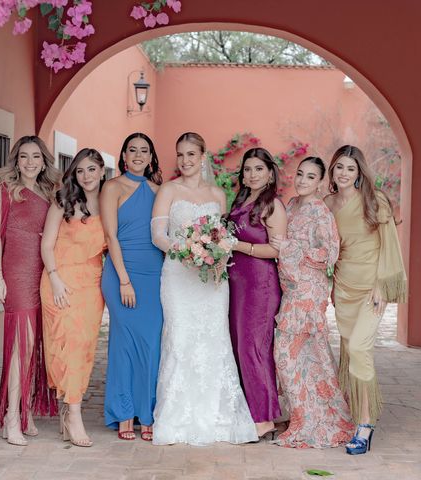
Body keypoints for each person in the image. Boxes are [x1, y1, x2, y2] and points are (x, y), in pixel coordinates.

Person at [150, 132, 258, 446]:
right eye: (180, 155)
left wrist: (214, 257)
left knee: (214, 339)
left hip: (212, 280)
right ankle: (177, 419)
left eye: (190, 155)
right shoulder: (169, 189)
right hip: (178, 276)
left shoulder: (217, 194)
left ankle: (218, 417)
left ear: (203, 156)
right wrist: (186, 253)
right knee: (181, 338)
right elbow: (158, 234)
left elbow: (223, 237)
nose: (185, 161)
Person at [324, 145, 407, 455]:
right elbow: (326, 249)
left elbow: (390, 245)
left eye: (350, 168)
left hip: (370, 289)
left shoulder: (375, 200)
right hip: (343, 288)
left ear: (359, 173)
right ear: (332, 171)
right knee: (349, 353)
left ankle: (365, 425)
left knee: (360, 349)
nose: (344, 173)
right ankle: (354, 414)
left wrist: (382, 286)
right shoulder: (327, 204)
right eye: (339, 167)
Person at [0, 135, 60, 446]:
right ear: (16, 160)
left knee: (34, 344)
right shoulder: (3, 188)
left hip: (42, 272)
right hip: (16, 271)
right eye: (24, 156)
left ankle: (24, 411)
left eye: (35, 157)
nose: (29, 162)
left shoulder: (50, 190)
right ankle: (11, 416)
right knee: (19, 346)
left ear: (44, 161)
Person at [269, 157, 354, 449]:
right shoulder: (291, 205)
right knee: (305, 356)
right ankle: (303, 414)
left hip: (308, 291)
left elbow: (329, 253)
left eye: (311, 177)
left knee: (289, 354)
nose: (303, 180)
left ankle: (310, 421)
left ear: (320, 182)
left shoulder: (320, 211)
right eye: (301, 174)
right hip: (290, 287)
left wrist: (290, 247)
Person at [40, 148, 106, 447]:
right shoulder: (62, 201)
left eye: (92, 169)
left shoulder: (109, 204)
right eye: (80, 171)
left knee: (84, 347)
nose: (86, 176)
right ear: (74, 175)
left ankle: (69, 409)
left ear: (102, 171)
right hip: (61, 279)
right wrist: (54, 277)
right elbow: (46, 243)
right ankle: (74, 414)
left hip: (92, 284)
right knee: (64, 346)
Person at [100, 133, 164, 441]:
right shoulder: (112, 187)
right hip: (121, 273)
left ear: (151, 157)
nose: (138, 155)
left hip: (155, 275)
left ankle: (147, 412)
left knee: (151, 345)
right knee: (123, 344)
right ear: (123, 155)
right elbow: (111, 236)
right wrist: (124, 280)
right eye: (132, 150)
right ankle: (124, 412)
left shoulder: (159, 190)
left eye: (144, 150)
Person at [227, 147, 286, 439]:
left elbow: (277, 249)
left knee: (254, 348)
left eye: (258, 169)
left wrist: (239, 247)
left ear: (270, 173)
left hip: (260, 285)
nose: (252, 174)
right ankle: (251, 410)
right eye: (247, 169)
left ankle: (264, 418)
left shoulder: (272, 205)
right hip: (236, 283)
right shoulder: (241, 199)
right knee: (239, 347)